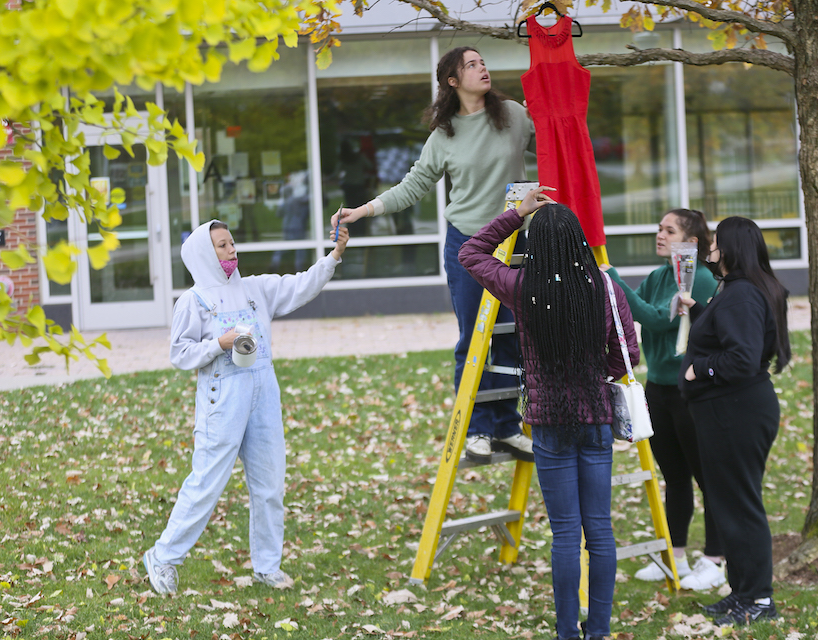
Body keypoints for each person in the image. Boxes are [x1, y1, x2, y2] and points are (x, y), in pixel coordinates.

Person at [332, 46, 536, 465]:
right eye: (473, 64)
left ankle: (507, 427)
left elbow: (551, 141)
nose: (484, 68)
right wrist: (363, 210)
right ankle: (477, 429)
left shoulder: (514, 115)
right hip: (468, 245)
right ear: (452, 81)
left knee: (514, 336)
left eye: (484, 61)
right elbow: (411, 186)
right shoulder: (444, 136)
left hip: (516, 244)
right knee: (473, 340)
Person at [459, 187, 639, 640]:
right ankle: (598, 630)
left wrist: (515, 215)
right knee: (599, 531)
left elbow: (470, 251)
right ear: (579, 242)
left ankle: (566, 633)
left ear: (535, 248)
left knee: (564, 535)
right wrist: (601, 371)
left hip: (548, 422)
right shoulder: (606, 289)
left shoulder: (521, 288)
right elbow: (626, 357)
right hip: (596, 418)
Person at [143, 219, 350, 595]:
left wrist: (334, 256)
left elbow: (300, 284)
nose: (231, 250)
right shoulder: (193, 301)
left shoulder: (257, 290)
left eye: (232, 243)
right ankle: (162, 557)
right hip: (222, 399)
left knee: (270, 483)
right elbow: (179, 353)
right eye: (222, 246)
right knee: (206, 483)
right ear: (206, 253)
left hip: (264, 395)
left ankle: (267, 566)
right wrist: (219, 344)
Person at [601, 209, 725, 590]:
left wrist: (614, 281)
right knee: (674, 477)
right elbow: (631, 311)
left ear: (690, 241)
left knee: (708, 478)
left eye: (668, 230)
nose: (659, 234)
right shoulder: (658, 275)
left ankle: (715, 559)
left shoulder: (700, 279)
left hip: (690, 391)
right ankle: (677, 557)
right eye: (659, 228)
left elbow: (656, 319)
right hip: (657, 388)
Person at [677, 216, 790, 626]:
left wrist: (697, 371)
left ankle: (758, 599)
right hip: (731, 410)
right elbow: (739, 336)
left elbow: (742, 357)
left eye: (716, 241)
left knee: (740, 507)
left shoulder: (742, 294)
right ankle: (742, 592)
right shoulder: (742, 290)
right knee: (728, 504)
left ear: (730, 249)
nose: (710, 246)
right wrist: (702, 311)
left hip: (735, 410)